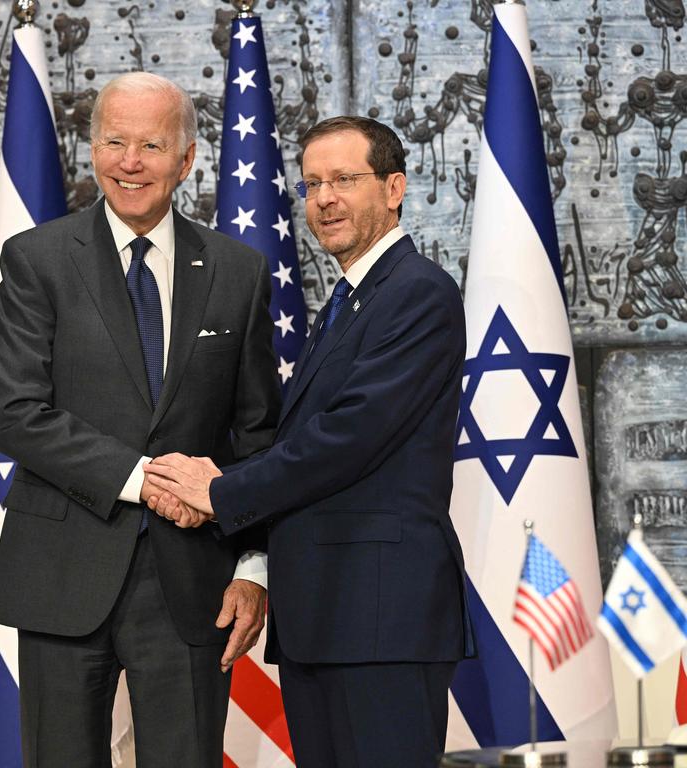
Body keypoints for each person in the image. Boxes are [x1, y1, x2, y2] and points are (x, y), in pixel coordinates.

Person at [145, 115, 476, 768]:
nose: (324, 199)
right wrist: (256, 560)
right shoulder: (349, 302)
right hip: (325, 620)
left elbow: (346, 439)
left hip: (381, 623)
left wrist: (216, 491)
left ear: (394, 187)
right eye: (313, 183)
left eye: (345, 179)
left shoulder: (418, 293)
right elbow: (308, 444)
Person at [0, 71, 281, 768]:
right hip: (60, 575)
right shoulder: (39, 260)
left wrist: (255, 565)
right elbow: (14, 413)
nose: (129, 162)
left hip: (192, 585)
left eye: (151, 144)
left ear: (186, 159)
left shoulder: (238, 272)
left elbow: (260, 434)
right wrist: (141, 479)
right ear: (92, 151)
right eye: (114, 141)